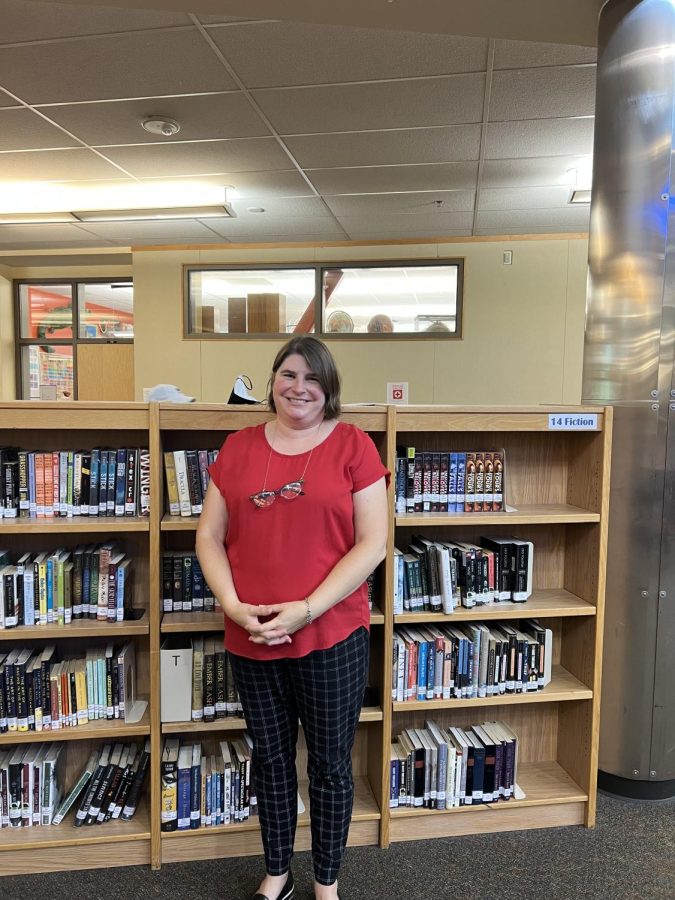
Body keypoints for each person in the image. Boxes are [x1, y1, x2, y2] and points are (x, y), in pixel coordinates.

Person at [196, 335, 389, 900]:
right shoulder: (237, 446)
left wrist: (306, 610)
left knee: (329, 765)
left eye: (312, 378)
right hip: (252, 632)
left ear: (329, 388)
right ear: (272, 381)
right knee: (271, 760)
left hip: (331, 633)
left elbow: (372, 543)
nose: (299, 387)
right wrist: (232, 606)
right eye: (288, 375)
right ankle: (277, 873)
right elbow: (208, 535)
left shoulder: (354, 445)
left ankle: (325, 883)